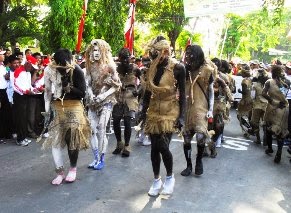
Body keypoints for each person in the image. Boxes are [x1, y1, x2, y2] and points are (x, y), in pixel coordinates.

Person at [140, 36, 185, 196]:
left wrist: (182, 118)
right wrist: (143, 111)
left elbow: (184, 95)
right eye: (156, 53)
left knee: (162, 146)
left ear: (167, 51)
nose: (159, 56)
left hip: (170, 111)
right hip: (153, 111)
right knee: (153, 148)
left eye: (161, 52)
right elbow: (147, 92)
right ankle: (156, 180)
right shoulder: (150, 68)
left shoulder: (178, 68)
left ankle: (170, 177)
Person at [43, 48, 91, 185]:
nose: (64, 68)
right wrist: (46, 112)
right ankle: (59, 172)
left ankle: (73, 169)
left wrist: (69, 88)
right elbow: (47, 92)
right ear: (55, 63)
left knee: (72, 138)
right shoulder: (48, 70)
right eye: (61, 66)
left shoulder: (76, 70)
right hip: (58, 106)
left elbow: (82, 93)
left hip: (74, 106)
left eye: (66, 66)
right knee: (55, 140)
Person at [85, 39, 121, 170]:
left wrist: (103, 96)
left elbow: (117, 86)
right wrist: (90, 93)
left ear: (103, 51)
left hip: (106, 101)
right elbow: (88, 83)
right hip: (93, 101)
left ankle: (101, 159)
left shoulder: (110, 66)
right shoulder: (89, 66)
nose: (95, 53)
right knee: (91, 130)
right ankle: (95, 158)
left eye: (98, 50)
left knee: (101, 128)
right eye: (93, 50)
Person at [180, 45, 215, 177]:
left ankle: (199, 160)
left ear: (198, 54)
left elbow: (211, 91)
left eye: (190, 54)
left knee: (201, 136)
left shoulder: (207, 70)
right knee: (187, 139)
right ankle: (188, 165)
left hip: (201, 109)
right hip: (187, 109)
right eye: (186, 54)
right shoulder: (184, 70)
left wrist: (211, 109)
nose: (188, 56)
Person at [111, 48, 141, 157]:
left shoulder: (135, 69)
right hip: (118, 96)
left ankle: (127, 146)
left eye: (126, 58)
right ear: (119, 58)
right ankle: (119, 143)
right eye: (122, 58)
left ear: (129, 58)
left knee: (128, 122)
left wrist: (138, 91)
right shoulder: (115, 68)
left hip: (130, 97)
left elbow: (144, 81)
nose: (124, 61)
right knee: (116, 121)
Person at [262, 65, 289, 163]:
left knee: (268, 128)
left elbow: (263, 93)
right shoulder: (286, 84)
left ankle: (270, 148)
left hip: (273, 108)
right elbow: (285, 95)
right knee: (280, 132)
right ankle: (279, 152)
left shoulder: (269, 82)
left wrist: (272, 101)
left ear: (272, 73)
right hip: (284, 108)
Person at [13, 55, 39, 146]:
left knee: (24, 118)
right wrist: (26, 91)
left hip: (26, 96)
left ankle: (23, 137)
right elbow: (15, 85)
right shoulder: (19, 71)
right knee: (21, 118)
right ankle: (20, 139)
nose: (32, 68)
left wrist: (33, 89)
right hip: (19, 97)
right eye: (32, 66)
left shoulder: (27, 72)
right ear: (27, 63)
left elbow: (28, 85)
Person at [249, 69, 269, 145]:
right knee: (264, 123)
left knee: (255, 123)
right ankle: (265, 138)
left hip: (257, 105)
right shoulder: (268, 85)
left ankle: (258, 139)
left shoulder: (255, 85)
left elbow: (252, 96)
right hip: (266, 106)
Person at [237, 65, 253, 138]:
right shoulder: (250, 79)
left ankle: (249, 128)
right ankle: (251, 128)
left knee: (239, 115)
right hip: (250, 99)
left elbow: (245, 92)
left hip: (245, 100)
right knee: (249, 116)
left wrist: (240, 91)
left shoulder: (244, 81)